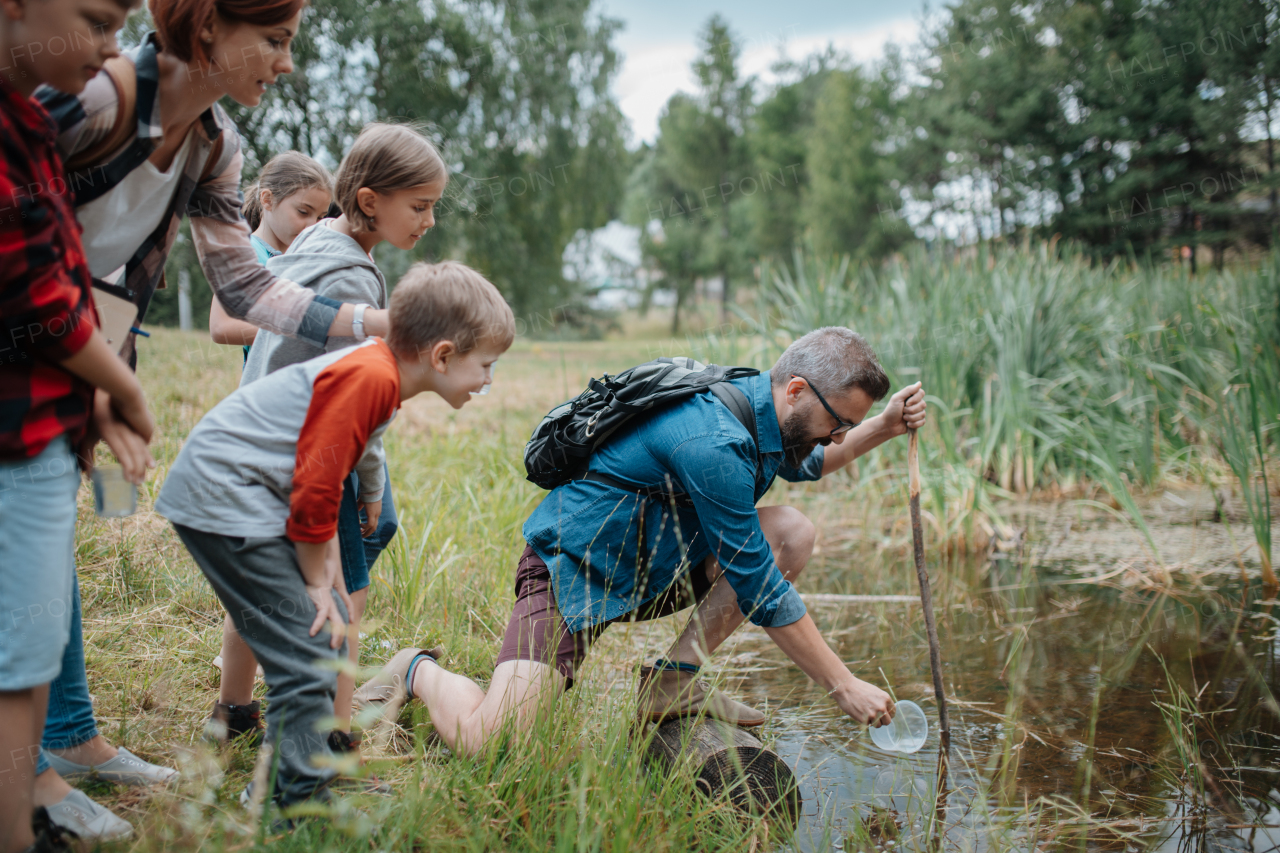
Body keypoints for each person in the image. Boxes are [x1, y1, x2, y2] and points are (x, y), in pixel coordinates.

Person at [29, 0, 396, 827]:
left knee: (44, 526)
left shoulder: (213, 146)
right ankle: (39, 775)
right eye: (272, 40)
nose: (286, 62)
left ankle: (68, 739)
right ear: (206, 31)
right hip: (34, 332)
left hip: (82, 343)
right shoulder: (95, 100)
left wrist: (377, 324)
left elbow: (249, 289)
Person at [359, 327, 928, 757]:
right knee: (494, 742)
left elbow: (810, 462)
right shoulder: (712, 437)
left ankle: (669, 683)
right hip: (573, 574)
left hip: (651, 568)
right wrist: (842, 684)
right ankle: (415, 671)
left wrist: (885, 425)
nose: (839, 434)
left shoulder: (765, 410)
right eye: (840, 422)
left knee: (793, 533)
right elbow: (757, 583)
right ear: (798, 390)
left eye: (849, 426)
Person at [154, 261, 514, 809]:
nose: (488, 379)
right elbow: (318, 481)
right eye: (486, 365)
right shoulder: (371, 376)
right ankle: (290, 795)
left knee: (330, 626)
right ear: (442, 355)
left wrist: (326, 581)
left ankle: (302, 772)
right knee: (314, 642)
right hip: (224, 495)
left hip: (234, 494)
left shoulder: (379, 375)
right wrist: (320, 577)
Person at [211, 123, 446, 752]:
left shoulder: (317, 237)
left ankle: (232, 710)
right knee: (344, 596)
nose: (428, 221)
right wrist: (369, 485)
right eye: (419, 206)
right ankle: (328, 737)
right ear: (370, 201)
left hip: (260, 447)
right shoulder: (353, 283)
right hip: (312, 458)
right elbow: (357, 404)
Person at [0, 0, 154, 849]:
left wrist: (93, 394)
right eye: (97, 17)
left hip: (46, 425)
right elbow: (33, 294)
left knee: (24, 658)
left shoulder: (31, 121)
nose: (110, 47)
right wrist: (119, 385)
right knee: (15, 658)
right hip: (15, 438)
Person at [208, 151, 335, 362]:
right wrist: (301, 330)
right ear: (267, 200)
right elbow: (221, 327)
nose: (313, 225)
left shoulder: (307, 255)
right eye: (303, 212)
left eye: (321, 217)